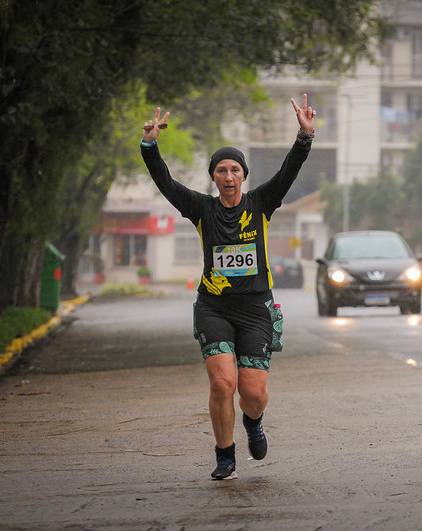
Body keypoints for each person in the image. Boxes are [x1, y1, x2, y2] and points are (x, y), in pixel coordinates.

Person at [140, 94, 317, 480]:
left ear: (243, 175)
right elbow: (166, 184)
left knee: (251, 394)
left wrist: (304, 136)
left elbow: (289, 171)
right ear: (214, 177)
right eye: (221, 170)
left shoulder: (261, 203)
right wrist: (150, 146)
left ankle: (254, 422)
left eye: (235, 169)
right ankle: (225, 455)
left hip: (256, 309)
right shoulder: (202, 209)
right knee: (222, 384)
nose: (228, 176)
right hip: (214, 308)